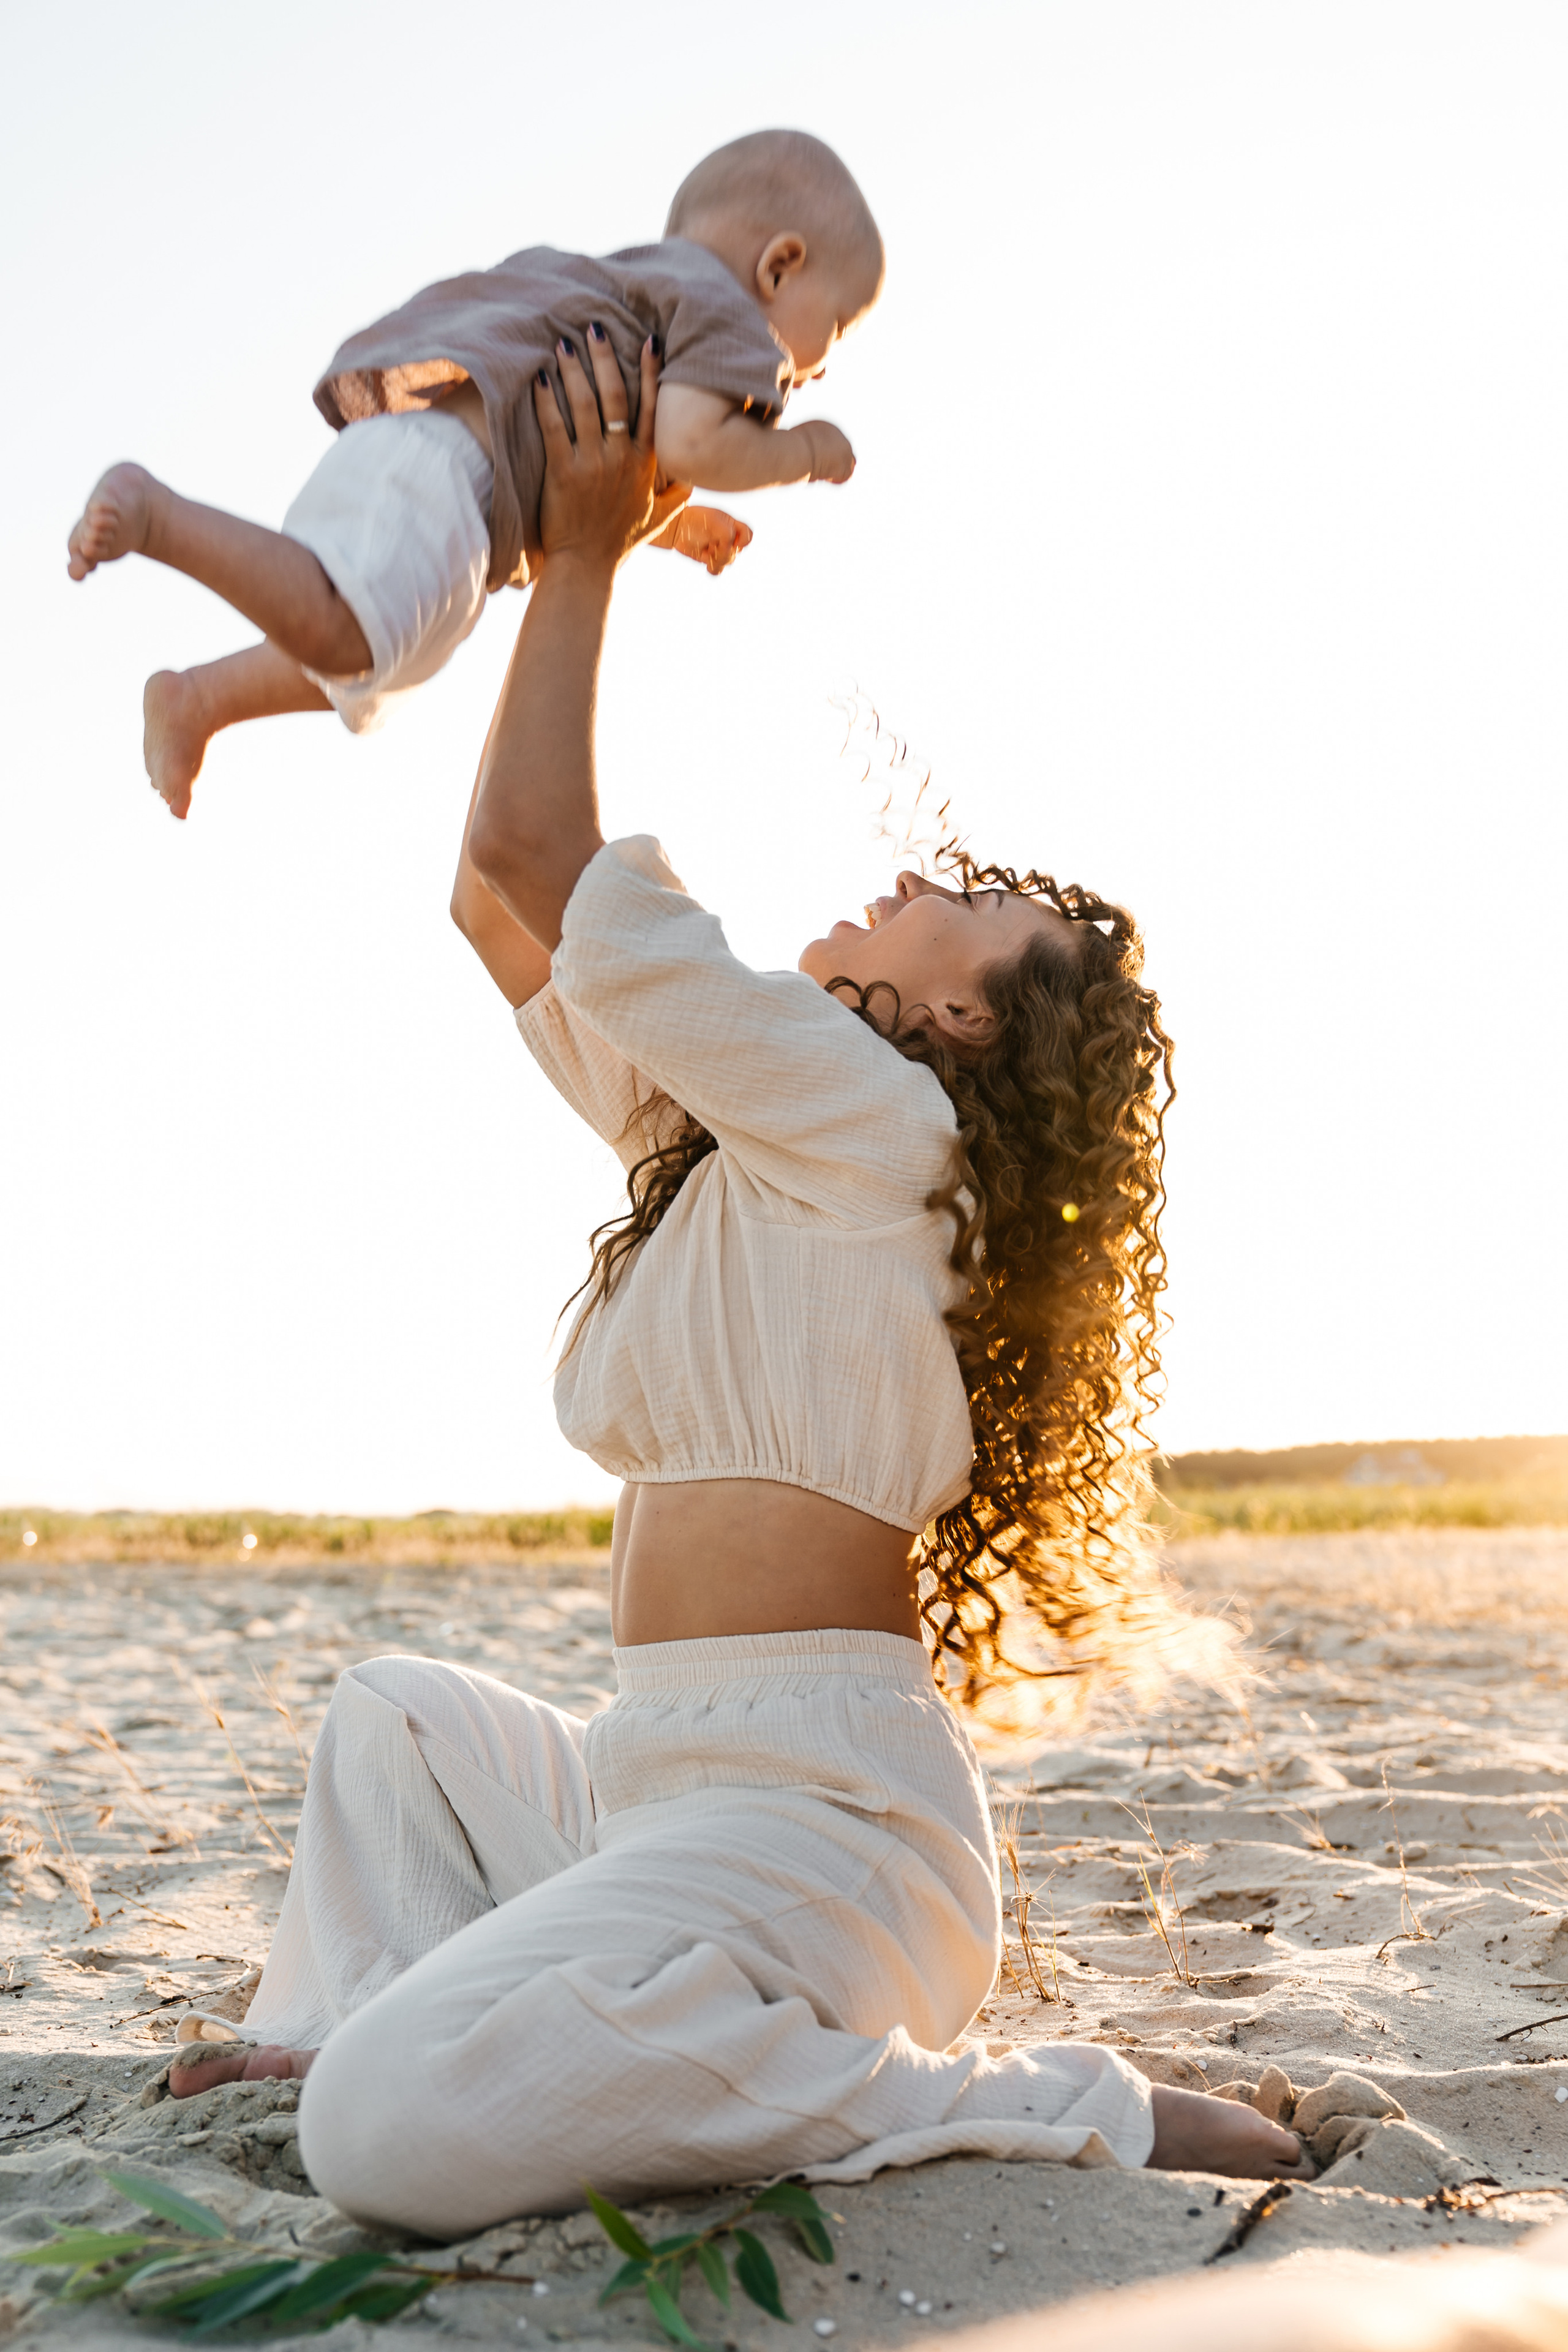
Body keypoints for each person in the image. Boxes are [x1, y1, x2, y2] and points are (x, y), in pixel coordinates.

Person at [165, 333, 1312, 2233]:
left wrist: (597, 550)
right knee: (396, 1719)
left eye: (969, 902)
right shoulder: (730, 1133)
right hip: (658, 1785)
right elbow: (491, 894)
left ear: (965, 1019)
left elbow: (546, 847)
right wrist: (543, 547)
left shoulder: (878, 1117)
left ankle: (1039, 2100)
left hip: (824, 1838)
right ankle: (402, 2017)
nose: (909, 877)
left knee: (382, 2137)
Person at [64, 130, 877, 820]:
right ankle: (157, 516)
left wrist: (675, 527)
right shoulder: (733, 321)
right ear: (780, 266)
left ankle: (201, 699)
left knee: (374, 663)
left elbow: (618, 464)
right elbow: (696, 442)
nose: (814, 373)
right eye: (834, 330)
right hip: (446, 479)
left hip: (443, 483)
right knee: (349, 633)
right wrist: (802, 452)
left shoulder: (656, 299)